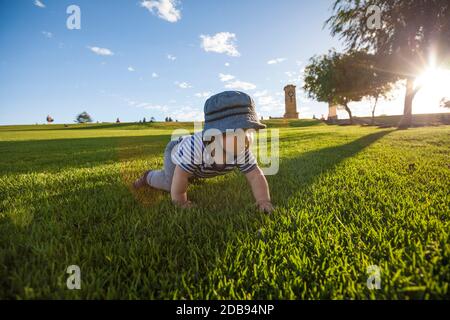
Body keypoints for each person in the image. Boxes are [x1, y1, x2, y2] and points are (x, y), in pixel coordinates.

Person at [134, 91, 274, 213]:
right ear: (215, 134)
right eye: (236, 132)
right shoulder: (196, 148)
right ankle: (148, 177)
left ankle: (193, 174)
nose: (247, 138)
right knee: (170, 183)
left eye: (250, 130)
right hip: (177, 153)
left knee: (190, 172)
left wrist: (263, 200)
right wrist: (181, 201)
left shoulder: (241, 149)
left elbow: (256, 175)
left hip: (195, 162)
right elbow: (180, 174)